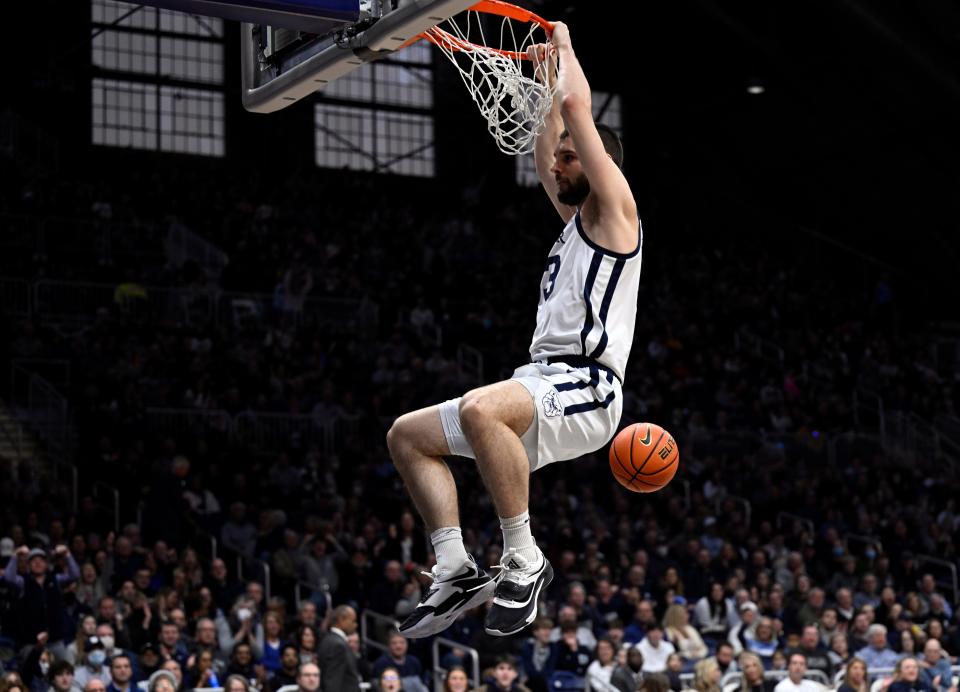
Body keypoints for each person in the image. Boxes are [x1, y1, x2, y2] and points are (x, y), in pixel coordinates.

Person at [388, 18, 642, 640]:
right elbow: (545, 144)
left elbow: (578, 109)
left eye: (571, 156)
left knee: (480, 408)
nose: (558, 165)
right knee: (406, 436)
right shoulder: (575, 219)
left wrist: (566, 50)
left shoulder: (616, 213)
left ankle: (524, 557)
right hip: (542, 384)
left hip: (589, 389)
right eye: (559, 158)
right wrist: (543, 86)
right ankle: (455, 568)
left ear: (602, 162)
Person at [316, 605, 361, 692]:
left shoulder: (328, 640)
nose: (355, 625)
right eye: (353, 621)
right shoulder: (338, 645)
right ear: (342, 619)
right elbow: (332, 682)